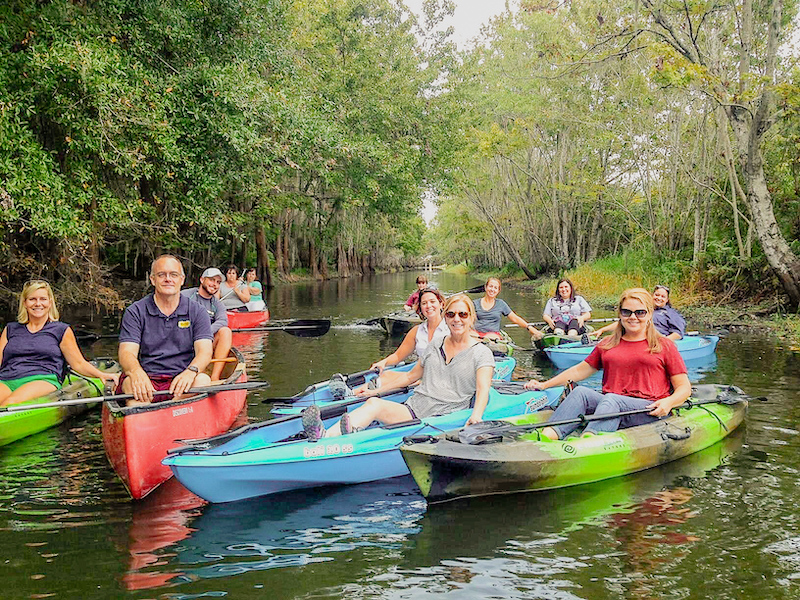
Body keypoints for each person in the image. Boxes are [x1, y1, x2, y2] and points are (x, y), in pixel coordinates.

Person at [302, 294, 495, 440]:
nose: (457, 319)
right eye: (451, 314)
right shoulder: (436, 343)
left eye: (462, 314)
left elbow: (483, 390)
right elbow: (409, 377)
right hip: (415, 408)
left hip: (442, 416)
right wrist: (375, 392)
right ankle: (324, 436)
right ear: (446, 318)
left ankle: (348, 431)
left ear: (471, 318)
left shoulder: (481, 353)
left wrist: (476, 416)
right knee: (373, 404)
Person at [524, 288, 691, 440]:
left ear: (649, 314)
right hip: (611, 406)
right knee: (581, 392)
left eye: (640, 312)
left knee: (612, 400)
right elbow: (578, 371)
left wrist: (668, 403)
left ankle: (588, 442)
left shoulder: (664, 345)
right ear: (620, 314)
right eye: (627, 312)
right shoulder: (608, 343)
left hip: (647, 409)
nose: (633, 317)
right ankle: (546, 438)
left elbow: (684, 387)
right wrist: (544, 385)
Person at [0, 280, 119, 407]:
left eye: (43, 299)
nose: (38, 303)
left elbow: (78, 363)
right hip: (7, 379)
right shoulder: (11, 329)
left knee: (9, 403)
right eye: (32, 299)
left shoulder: (61, 330)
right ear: (25, 303)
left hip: (41, 379)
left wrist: (101, 375)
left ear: (50, 302)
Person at [118, 255, 213, 404]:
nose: (168, 279)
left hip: (182, 378)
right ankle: (143, 414)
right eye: (161, 275)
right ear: (152, 279)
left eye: (173, 275)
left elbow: (205, 352)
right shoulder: (135, 311)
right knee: (130, 384)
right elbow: (126, 352)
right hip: (147, 377)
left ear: (182, 280)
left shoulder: (198, 311)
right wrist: (136, 372)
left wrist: (191, 371)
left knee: (203, 380)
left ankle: (173, 407)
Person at [364, 288, 449, 391]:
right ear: (420, 308)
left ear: (441, 304)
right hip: (421, 375)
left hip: (442, 379)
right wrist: (384, 362)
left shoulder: (450, 329)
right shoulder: (417, 331)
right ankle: (352, 394)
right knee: (386, 375)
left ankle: (355, 394)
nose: (428, 306)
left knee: (388, 378)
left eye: (432, 302)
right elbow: (398, 356)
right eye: (424, 303)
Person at [181, 267, 232, 381]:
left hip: (205, 341)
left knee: (225, 331)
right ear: (202, 280)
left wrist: (204, 332)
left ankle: (214, 377)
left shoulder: (217, 304)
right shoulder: (185, 295)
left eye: (218, 282)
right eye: (211, 280)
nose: (215, 284)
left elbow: (223, 321)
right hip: (184, 338)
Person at [592, 285, 687, 341]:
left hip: (655, 338)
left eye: (663, 296)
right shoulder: (642, 310)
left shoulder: (671, 314)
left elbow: (678, 333)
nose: (659, 298)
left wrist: (662, 342)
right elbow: (625, 321)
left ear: (667, 300)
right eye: (657, 295)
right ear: (652, 295)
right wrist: (602, 330)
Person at [474, 276, 544, 341]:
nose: (492, 289)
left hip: (492, 336)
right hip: (476, 334)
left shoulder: (501, 304)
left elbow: (515, 318)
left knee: (490, 337)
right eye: (490, 286)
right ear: (486, 288)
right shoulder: (474, 303)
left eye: (495, 288)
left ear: (498, 291)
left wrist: (529, 327)